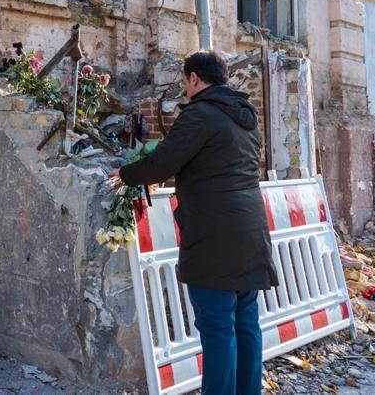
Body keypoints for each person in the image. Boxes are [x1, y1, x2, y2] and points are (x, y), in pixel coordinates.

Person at [109, 51, 277, 395]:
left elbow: (164, 162)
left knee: (217, 328)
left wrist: (124, 174)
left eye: (185, 81)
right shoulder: (245, 117)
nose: (185, 88)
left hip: (215, 235)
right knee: (246, 324)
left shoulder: (201, 114)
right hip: (251, 230)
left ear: (196, 78)